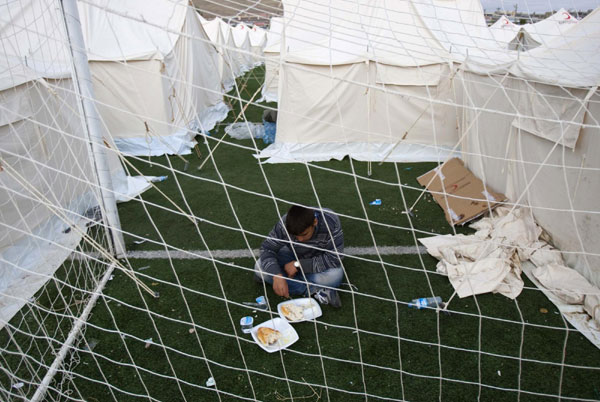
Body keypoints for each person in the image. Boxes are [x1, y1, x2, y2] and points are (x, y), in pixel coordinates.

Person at [254, 205, 345, 307]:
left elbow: (335, 258)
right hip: (292, 253)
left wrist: (298, 265)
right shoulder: (285, 223)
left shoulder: (330, 221)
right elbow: (267, 248)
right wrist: (276, 275)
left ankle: (288, 280)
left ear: (315, 222)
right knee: (259, 267)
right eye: (295, 236)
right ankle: (315, 291)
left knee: (335, 276)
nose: (300, 240)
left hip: (317, 258)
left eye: (304, 234)